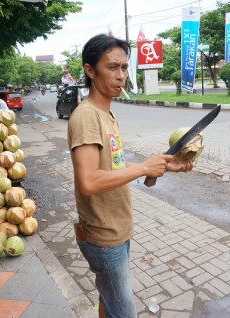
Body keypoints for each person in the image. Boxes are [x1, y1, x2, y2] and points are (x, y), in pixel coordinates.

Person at [67, 34, 193, 318]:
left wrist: (162, 164)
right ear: (90, 70)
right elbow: (88, 182)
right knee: (123, 312)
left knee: (108, 301)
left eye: (124, 68)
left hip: (116, 229)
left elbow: (111, 169)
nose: (121, 75)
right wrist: (143, 168)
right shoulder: (87, 116)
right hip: (103, 236)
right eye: (112, 67)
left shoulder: (107, 115)